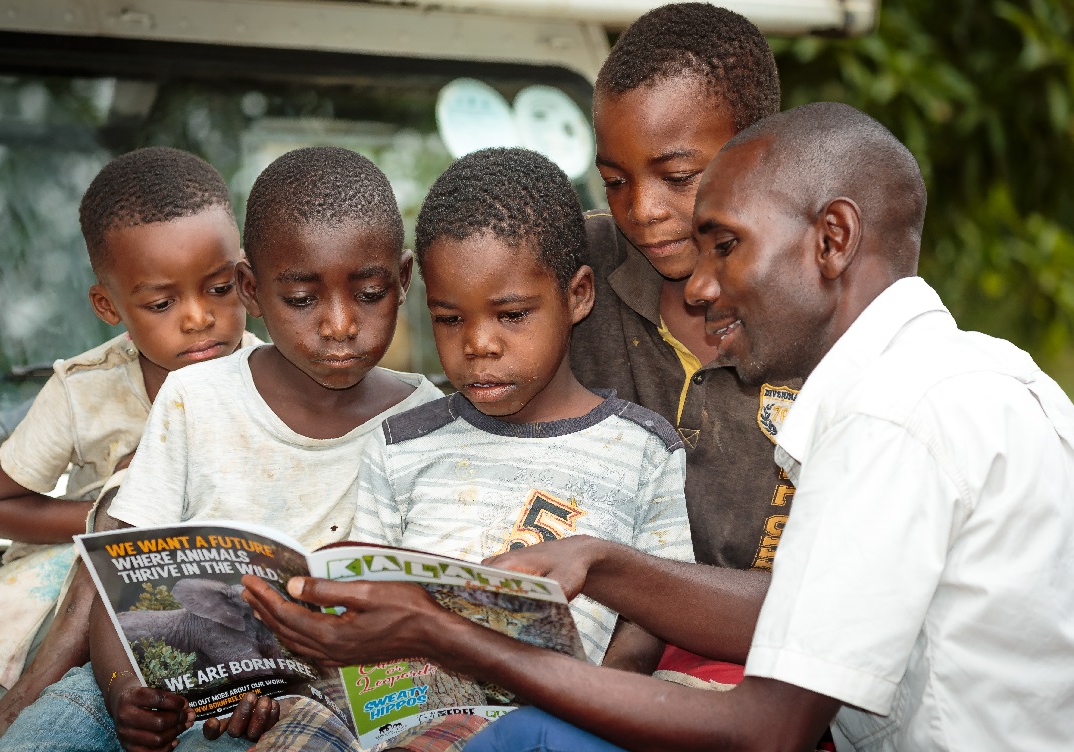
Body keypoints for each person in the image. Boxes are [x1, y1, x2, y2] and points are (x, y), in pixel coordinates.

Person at [245, 103, 1074, 751]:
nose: (702, 288)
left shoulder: (896, 419)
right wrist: (602, 564)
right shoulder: (957, 379)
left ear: (832, 240)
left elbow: (764, 731)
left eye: (724, 245)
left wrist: (445, 637)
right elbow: (804, 614)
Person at [0, 146, 443, 752]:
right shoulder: (195, 396)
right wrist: (127, 694)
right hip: (145, 690)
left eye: (369, 293)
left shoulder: (428, 422)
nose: (339, 324)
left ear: (404, 280)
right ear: (251, 289)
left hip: (313, 709)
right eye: (303, 300)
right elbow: (123, 583)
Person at [248, 146, 694, 752]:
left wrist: (599, 700)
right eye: (449, 320)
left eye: (511, 315)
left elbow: (652, 616)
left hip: (538, 714)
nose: (478, 345)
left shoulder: (643, 449)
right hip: (384, 713)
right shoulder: (401, 441)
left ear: (578, 296)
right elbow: (368, 595)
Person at [0, 146, 255, 752]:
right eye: (161, 303)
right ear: (110, 308)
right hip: (59, 570)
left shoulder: (271, 381)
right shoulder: (85, 387)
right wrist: (107, 519)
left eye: (219, 287)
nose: (197, 317)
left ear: (249, 279)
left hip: (199, 582)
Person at [575, 3, 796, 587]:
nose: (642, 211)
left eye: (677, 178)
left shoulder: (823, 313)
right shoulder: (573, 268)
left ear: (761, 152)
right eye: (615, 181)